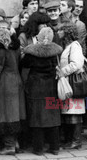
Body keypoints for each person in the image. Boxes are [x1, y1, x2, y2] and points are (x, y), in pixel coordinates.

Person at [21, 27, 63, 156]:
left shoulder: (31, 51)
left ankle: (38, 148)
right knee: (53, 117)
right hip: (51, 86)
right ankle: (55, 147)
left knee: (36, 117)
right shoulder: (55, 51)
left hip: (35, 86)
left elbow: (24, 64)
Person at [0, 28, 25, 155]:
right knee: (15, 113)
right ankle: (16, 143)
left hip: (5, 84)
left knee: (6, 114)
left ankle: (9, 146)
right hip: (16, 81)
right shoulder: (16, 49)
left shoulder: (1, 50)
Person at [56, 23, 85, 150]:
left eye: (61, 30)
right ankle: (70, 140)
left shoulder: (75, 46)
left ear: (67, 32)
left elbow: (77, 64)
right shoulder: (67, 46)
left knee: (75, 112)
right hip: (66, 83)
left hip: (72, 83)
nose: (58, 32)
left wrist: (63, 71)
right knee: (69, 112)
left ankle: (76, 140)